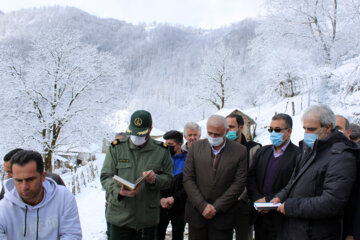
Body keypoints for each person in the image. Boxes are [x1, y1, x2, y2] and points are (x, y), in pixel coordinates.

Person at [271, 105, 359, 240]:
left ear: (328, 127)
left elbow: (331, 202)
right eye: (305, 129)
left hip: (317, 233)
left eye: (311, 129)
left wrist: (291, 206)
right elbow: (294, 181)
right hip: (295, 229)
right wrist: (280, 197)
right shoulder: (310, 149)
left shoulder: (341, 157)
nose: (306, 133)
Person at [100, 110, 173, 240]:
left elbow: (169, 179)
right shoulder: (116, 148)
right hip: (120, 218)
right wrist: (119, 191)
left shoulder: (161, 151)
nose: (136, 137)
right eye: (133, 133)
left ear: (150, 130)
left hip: (147, 220)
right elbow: (106, 176)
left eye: (141, 134)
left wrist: (155, 179)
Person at [183, 115, 248, 240]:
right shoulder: (195, 147)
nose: (212, 137)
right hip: (197, 215)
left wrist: (216, 207)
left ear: (226, 131)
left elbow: (239, 183)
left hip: (223, 217)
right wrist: (202, 205)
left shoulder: (240, 151)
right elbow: (188, 178)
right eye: (210, 133)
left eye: (217, 134)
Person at [0, 150, 82, 239]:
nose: (24, 187)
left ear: (43, 176)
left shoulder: (63, 197)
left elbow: (71, 234)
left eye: (30, 180)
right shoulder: (3, 209)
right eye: (18, 180)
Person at [247, 113, 300, 240]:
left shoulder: (298, 155)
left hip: (281, 217)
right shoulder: (263, 151)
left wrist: (269, 201)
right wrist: (258, 199)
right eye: (271, 130)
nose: (273, 133)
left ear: (289, 131)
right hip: (260, 216)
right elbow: (251, 177)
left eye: (277, 130)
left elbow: (294, 185)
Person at [226, 113, 261, 240]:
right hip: (225, 204)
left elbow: (253, 176)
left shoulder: (253, 149)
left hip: (244, 204)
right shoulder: (221, 148)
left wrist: (242, 197)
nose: (228, 130)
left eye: (231, 127)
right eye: (226, 127)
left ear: (241, 128)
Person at [0, 148, 65, 200]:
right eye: (7, 172)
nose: (9, 176)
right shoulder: (8, 187)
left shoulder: (54, 182)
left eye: (11, 172)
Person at [158, 130, 187, 240]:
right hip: (161, 205)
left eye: (170, 145)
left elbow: (189, 184)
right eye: (166, 144)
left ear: (179, 144)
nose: (167, 147)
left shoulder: (188, 159)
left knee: (178, 235)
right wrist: (160, 198)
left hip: (179, 206)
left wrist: (174, 198)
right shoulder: (161, 159)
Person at [105, 132, 127, 239]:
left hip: (127, 203)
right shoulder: (111, 156)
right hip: (111, 201)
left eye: (121, 140)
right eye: (116, 141)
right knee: (111, 232)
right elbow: (106, 177)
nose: (118, 143)